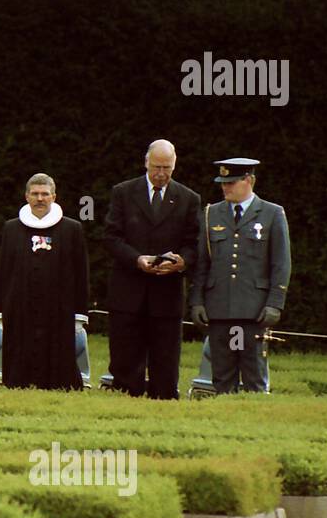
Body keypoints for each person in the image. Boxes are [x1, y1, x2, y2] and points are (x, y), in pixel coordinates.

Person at [103, 139, 201, 399]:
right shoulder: (123, 192)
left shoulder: (189, 199)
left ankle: (164, 405)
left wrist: (182, 262)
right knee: (125, 360)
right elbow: (111, 237)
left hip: (167, 295)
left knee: (165, 362)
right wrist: (137, 259)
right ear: (146, 162)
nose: (160, 173)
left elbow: (194, 244)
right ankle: (125, 405)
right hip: (128, 292)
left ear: (175, 164)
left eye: (166, 168)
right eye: (156, 167)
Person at [189, 158, 291, 393]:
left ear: (249, 181)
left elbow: (281, 264)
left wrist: (275, 303)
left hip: (254, 309)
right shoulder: (210, 214)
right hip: (219, 307)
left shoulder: (272, 213)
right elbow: (203, 263)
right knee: (221, 377)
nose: (225, 187)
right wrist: (197, 301)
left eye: (231, 182)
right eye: (223, 182)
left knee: (254, 376)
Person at [0, 173, 88, 390]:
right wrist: (0, 311)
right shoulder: (11, 228)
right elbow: (3, 272)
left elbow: (81, 273)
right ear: (26, 196)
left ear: (54, 197)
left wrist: (80, 315)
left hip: (59, 309)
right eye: (35, 194)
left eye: (45, 194)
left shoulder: (72, 229)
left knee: (58, 360)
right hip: (19, 307)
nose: (40, 199)